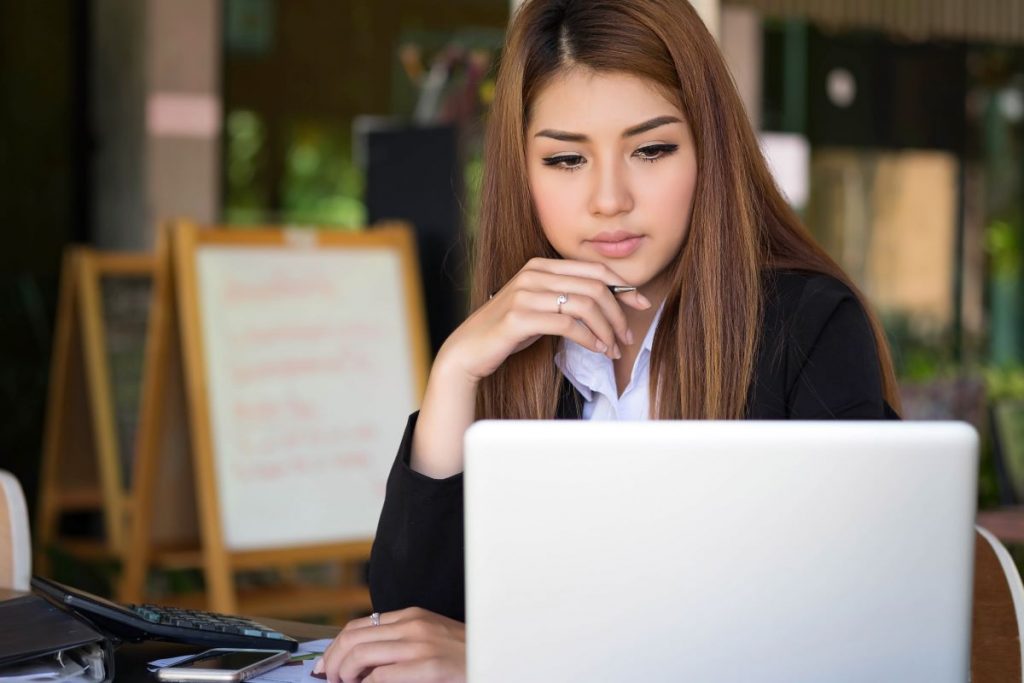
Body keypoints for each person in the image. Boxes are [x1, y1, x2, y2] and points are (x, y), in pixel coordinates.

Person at [315, 0, 901, 680]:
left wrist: (519, 661)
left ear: (710, 148)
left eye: (651, 149)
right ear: (522, 171)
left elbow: (858, 635)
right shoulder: (515, 343)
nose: (609, 198)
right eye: (566, 159)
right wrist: (454, 371)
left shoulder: (809, 328)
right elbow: (413, 621)